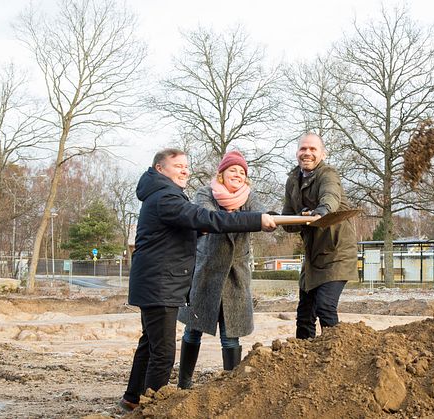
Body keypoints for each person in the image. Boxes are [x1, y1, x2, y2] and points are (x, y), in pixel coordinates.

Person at [120, 148, 276, 411]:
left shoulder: (161, 195)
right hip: (161, 283)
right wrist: (255, 220)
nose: (185, 170)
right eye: (178, 165)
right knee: (163, 353)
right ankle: (153, 409)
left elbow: (185, 232)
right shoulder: (166, 197)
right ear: (160, 169)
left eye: (186, 166)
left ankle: (133, 399)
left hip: (158, 282)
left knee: (150, 344)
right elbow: (205, 218)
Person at [176, 150, 261, 389]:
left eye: (242, 171)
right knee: (193, 329)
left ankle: (230, 389)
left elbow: (263, 213)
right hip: (207, 272)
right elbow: (209, 218)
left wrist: (271, 218)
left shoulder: (249, 197)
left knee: (230, 334)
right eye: (232, 169)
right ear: (221, 174)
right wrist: (254, 219)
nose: (238, 174)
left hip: (235, 274)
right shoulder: (206, 193)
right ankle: (184, 383)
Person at [282, 133, 358, 340]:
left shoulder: (328, 175)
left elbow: (330, 197)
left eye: (313, 149)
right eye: (303, 149)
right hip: (313, 256)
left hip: (337, 253)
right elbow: (289, 221)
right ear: (297, 152)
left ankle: (336, 358)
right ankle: (305, 362)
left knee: (325, 306)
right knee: (304, 315)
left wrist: (321, 211)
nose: (307, 153)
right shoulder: (292, 181)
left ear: (322, 154)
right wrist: (274, 221)